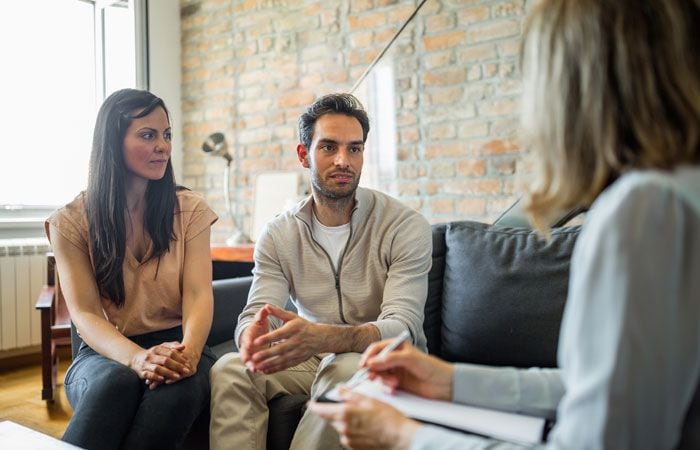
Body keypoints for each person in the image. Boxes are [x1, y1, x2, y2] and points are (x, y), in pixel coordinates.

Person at [308, 0, 700, 449]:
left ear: (570, 88)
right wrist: (453, 381)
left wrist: (405, 437)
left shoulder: (645, 212)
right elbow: (607, 387)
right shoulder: (679, 193)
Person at [209, 93, 432, 450]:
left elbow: (402, 327)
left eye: (354, 149)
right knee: (232, 369)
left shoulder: (404, 227)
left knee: (342, 369)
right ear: (304, 155)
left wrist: (326, 338)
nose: (344, 160)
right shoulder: (279, 233)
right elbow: (255, 312)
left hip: (384, 361)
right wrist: (251, 337)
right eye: (329, 147)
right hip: (315, 357)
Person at [48, 88, 218, 450]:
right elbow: (85, 314)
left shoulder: (190, 210)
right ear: (113, 142)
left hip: (179, 342)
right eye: (147, 134)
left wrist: (188, 353)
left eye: (166, 134)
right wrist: (137, 358)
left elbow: (199, 294)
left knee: (177, 391)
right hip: (102, 353)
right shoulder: (71, 222)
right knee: (116, 384)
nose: (163, 146)